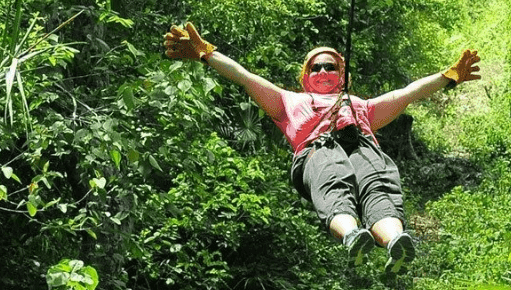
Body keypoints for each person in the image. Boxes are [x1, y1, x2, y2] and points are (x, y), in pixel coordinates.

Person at [163, 22, 481, 273]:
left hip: (362, 144)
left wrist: (449, 76)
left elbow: (407, 93)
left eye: (330, 67)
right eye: (316, 68)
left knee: (379, 186)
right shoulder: (290, 102)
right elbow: (245, 77)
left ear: (342, 76)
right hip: (319, 148)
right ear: (305, 77)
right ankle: (353, 234)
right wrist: (206, 53)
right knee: (333, 179)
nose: (323, 72)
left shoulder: (362, 106)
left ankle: (395, 240)